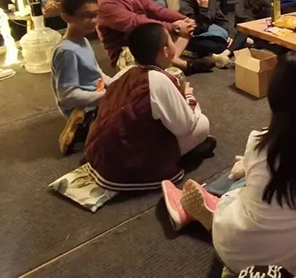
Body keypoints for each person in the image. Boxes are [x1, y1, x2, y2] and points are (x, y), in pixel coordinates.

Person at [160, 50, 296, 277]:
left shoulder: (259, 142)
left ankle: (209, 200)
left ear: (275, 96)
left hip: (234, 250)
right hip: (295, 266)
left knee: (240, 185)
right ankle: (210, 202)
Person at [84, 23, 214, 191]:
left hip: (98, 154)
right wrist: (188, 96)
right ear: (165, 51)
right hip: (124, 166)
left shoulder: (126, 71)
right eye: (171, 40)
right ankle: (165, 161)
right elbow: (184, 126)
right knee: (202, 124)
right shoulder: (158, 80)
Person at [94, 0, 213, 75]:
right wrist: (175, 28)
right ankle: (183, 65)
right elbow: (136, 23)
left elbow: (156, 10)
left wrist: (185, 19)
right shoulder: (103, 3)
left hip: (147, 40)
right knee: (165, 30)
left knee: (184, 26)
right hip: (126, 52)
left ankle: (168, 64)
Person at [52, 0, 112, 156]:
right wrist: (106, 96)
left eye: (95, 15)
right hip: (84, 108)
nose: (93, 21)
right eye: (86, 16)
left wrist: (118, 84)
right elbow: (67, 95)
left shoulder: (82, 40)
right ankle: (82, 128)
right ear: (66, 17)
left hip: (97, 94)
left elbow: (96, 72)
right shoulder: (67, 51)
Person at [179, 0, 238, 66]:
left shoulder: (212, 1)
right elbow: (198, 30)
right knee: (214, 45)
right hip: (194, 36)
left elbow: (222, 21)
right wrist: (203, 9)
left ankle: (222, 54)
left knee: (242, 32)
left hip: (211, 33)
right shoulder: (185, 5)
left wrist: (231, 34)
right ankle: (229, 50)